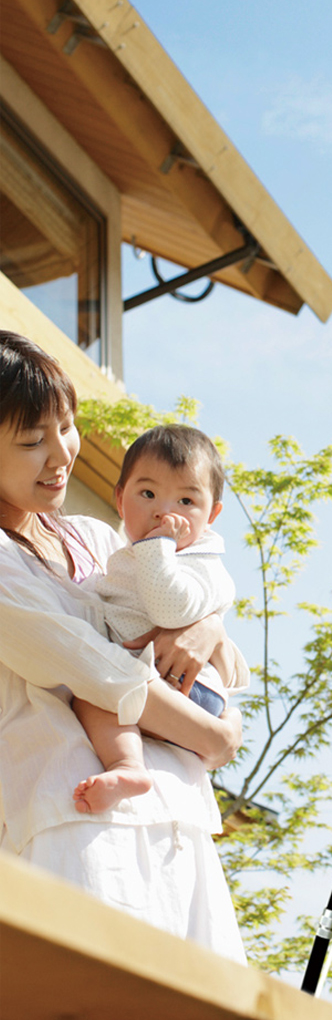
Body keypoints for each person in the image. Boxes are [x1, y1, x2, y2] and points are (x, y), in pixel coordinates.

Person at [0, 329, 246, 961]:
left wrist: (208, 624)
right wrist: (213, 735)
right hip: (71, 814)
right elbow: (89, 665)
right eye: (32, 441)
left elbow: (197, 602)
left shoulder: (95, 534)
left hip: (178, 815)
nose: (61, 455)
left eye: (67, 426)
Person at [72, 424, 240, 815]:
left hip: (185, 686)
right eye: (147, 494)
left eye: (186, 501)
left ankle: (126, 764)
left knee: (94, 692)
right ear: (120, 499)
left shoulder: (203, 563)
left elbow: (171, 610)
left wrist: (157, 546)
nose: (164, 512)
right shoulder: (132, 557)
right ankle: (129, 769)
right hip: (158, 676)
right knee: (98, 688)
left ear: (212, 514)